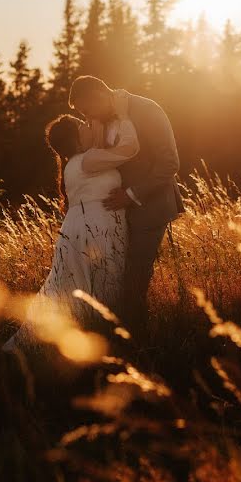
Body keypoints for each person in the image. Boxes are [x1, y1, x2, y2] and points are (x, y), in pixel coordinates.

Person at [1, 111, 140, 352]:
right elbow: (130, 148)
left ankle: (58, 340)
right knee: (104, 286)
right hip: (98, 228)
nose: (88, 124)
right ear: (76, 138)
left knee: (68, 288)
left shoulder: (74, 163)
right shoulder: (90, 159)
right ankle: (102, 342)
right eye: (82, 124)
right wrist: (125, 115)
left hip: (78, 228)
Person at [68, 75, 184, 344]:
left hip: (149, 207)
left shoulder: (147, 110)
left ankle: (137, 344)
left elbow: (169, 163)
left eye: (86, 110)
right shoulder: (100, 121)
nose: (86, 117)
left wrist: (130, 195)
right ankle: (118, 334)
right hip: (116, 215)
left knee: (134, 280)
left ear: (99, 93)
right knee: (116, 276)